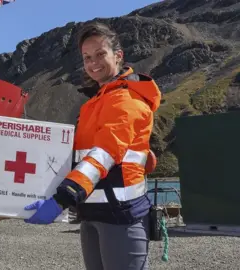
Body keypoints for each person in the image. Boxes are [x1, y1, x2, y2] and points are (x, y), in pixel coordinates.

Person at [22, 21, 162, 270]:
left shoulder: (126, 100)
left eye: (100, 54)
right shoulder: (94, 103)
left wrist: (62, 199)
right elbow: (74, 156)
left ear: (118, 56)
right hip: (92, 213)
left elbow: (103, 154)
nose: (93, 63)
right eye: (87, 57)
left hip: (121, 216)